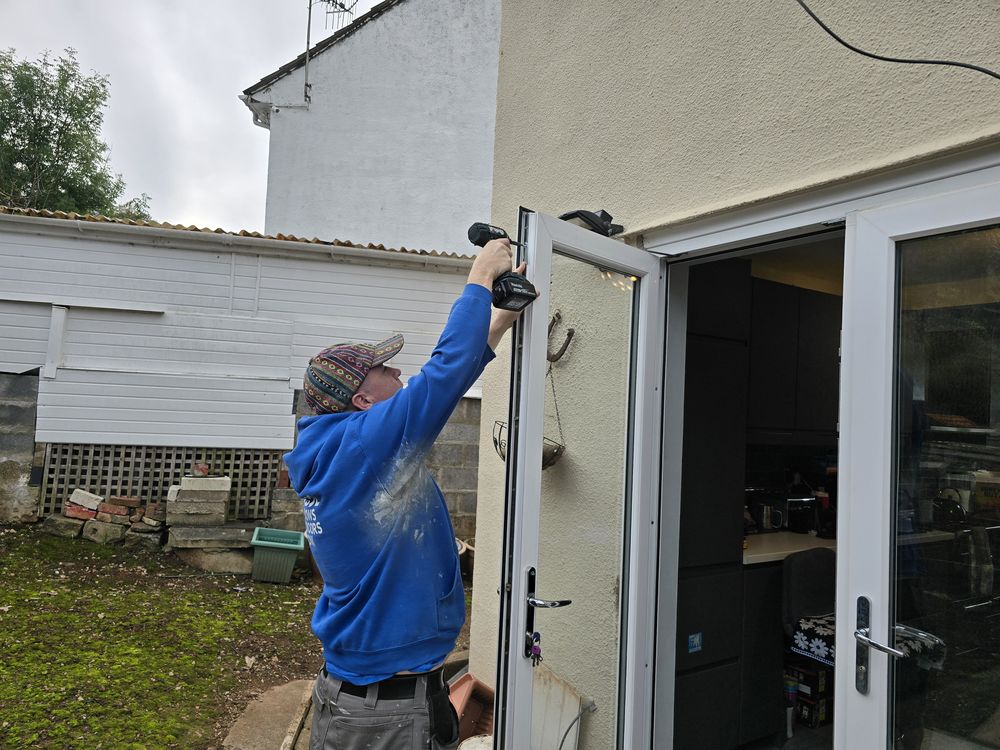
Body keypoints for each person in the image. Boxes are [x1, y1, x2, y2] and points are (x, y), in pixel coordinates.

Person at [284, 238, 525, 750]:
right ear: (361, 399)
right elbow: (442, 374)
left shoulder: (342, 449)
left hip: (380, 696)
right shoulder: (363, 445)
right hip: (384, 714)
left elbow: (447, 379)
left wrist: (498, 323)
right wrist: (480, 278)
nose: (398, 371)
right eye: (384, 369)